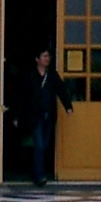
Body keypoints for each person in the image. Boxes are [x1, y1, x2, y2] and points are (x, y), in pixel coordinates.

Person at [15, 47, 72, 186]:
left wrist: (68, 106)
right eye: (44, 56)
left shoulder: (52, 75)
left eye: (48, 56)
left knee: (44, 146)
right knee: (39, 145)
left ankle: (35, 171)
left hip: (49, 116)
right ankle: (39, 176)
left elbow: (61, 90)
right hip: (35, 117)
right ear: (37, 59)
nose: (47, 59)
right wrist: (16, 116)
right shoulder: (30, 76)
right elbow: (21, 97)